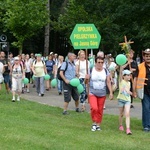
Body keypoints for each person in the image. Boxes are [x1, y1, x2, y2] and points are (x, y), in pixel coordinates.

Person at [89, 56, 113, 131]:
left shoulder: (105, 71)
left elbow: (108, 82)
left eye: (102, 62)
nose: (100, 64)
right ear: (95, 63)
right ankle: (94, 123)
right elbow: (86, 82)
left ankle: (98, 124)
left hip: (102, 93)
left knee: (100, 110)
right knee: (94, 108)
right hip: (92, 92)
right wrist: (86, 79)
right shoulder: (91, 70)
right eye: (98, 62)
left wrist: (111, 92)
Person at [134, 48, 150, 132]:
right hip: (144, 91)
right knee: (146, 108)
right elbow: (135, 78)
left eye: (149, 55)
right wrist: (134, 90)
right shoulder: (140, 66)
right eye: (146, 55)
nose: (148, 57)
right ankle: (146, 126)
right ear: (144, 57)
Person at [117, 68, 132, 135]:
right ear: (123, 76)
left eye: (129, 75)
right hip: (121, 99)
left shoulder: (129, 83)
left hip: (127, 100)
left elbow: (127, 90)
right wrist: (122, 65)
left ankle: (128, 129)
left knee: (127, 114)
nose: (129, 76)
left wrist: (130, 93)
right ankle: (120, 125)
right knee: (121, 113)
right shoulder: (121, 81)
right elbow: (120, 72)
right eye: (127, 75)